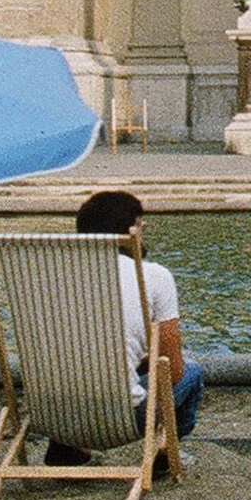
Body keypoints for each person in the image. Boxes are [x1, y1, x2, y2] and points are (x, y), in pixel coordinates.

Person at [39, 190, 203, 470]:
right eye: (142, 226)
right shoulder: (155, 276)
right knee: (192, 372)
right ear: (131, 231)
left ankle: (67, 447)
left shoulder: (48, 276)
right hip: (121, 420)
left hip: (51, 416)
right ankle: (166, 451)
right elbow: (174, 370)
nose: (144, 232)